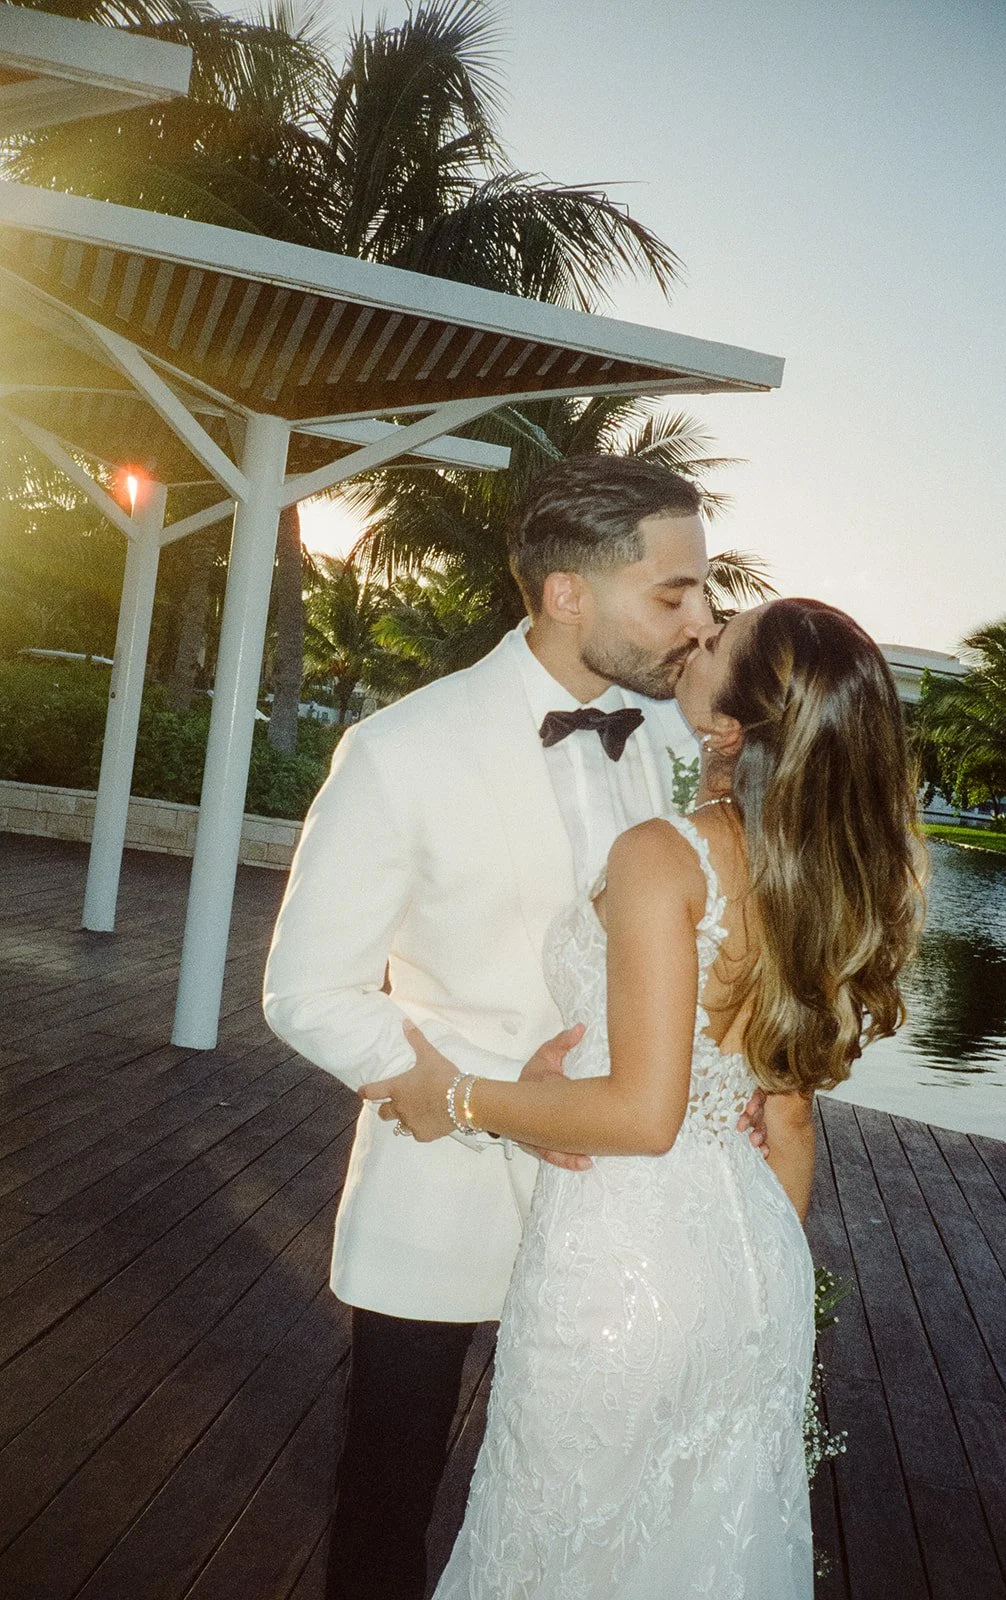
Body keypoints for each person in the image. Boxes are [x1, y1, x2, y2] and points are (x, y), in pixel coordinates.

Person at [261, 456, 769, 1600]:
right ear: (565, 593)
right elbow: (306, 989)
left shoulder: (663, 746)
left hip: (619, 1216)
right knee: (388, 1494)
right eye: (673, 592)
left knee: (585, 1495)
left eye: (703, 595)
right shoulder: (398, 750)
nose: (700, 621)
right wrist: (500, 1097)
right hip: (437, 1190)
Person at [364, 596, 925, 1599]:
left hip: (621, 1268)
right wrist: (738, 1291)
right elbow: (785, 1117)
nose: (692, 636)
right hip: (755, 1271)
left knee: (549, 1556)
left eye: (717, 642)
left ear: (730, 724)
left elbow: (640, 1115)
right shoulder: (823, 876)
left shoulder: (663, 855)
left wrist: (457, 1098)